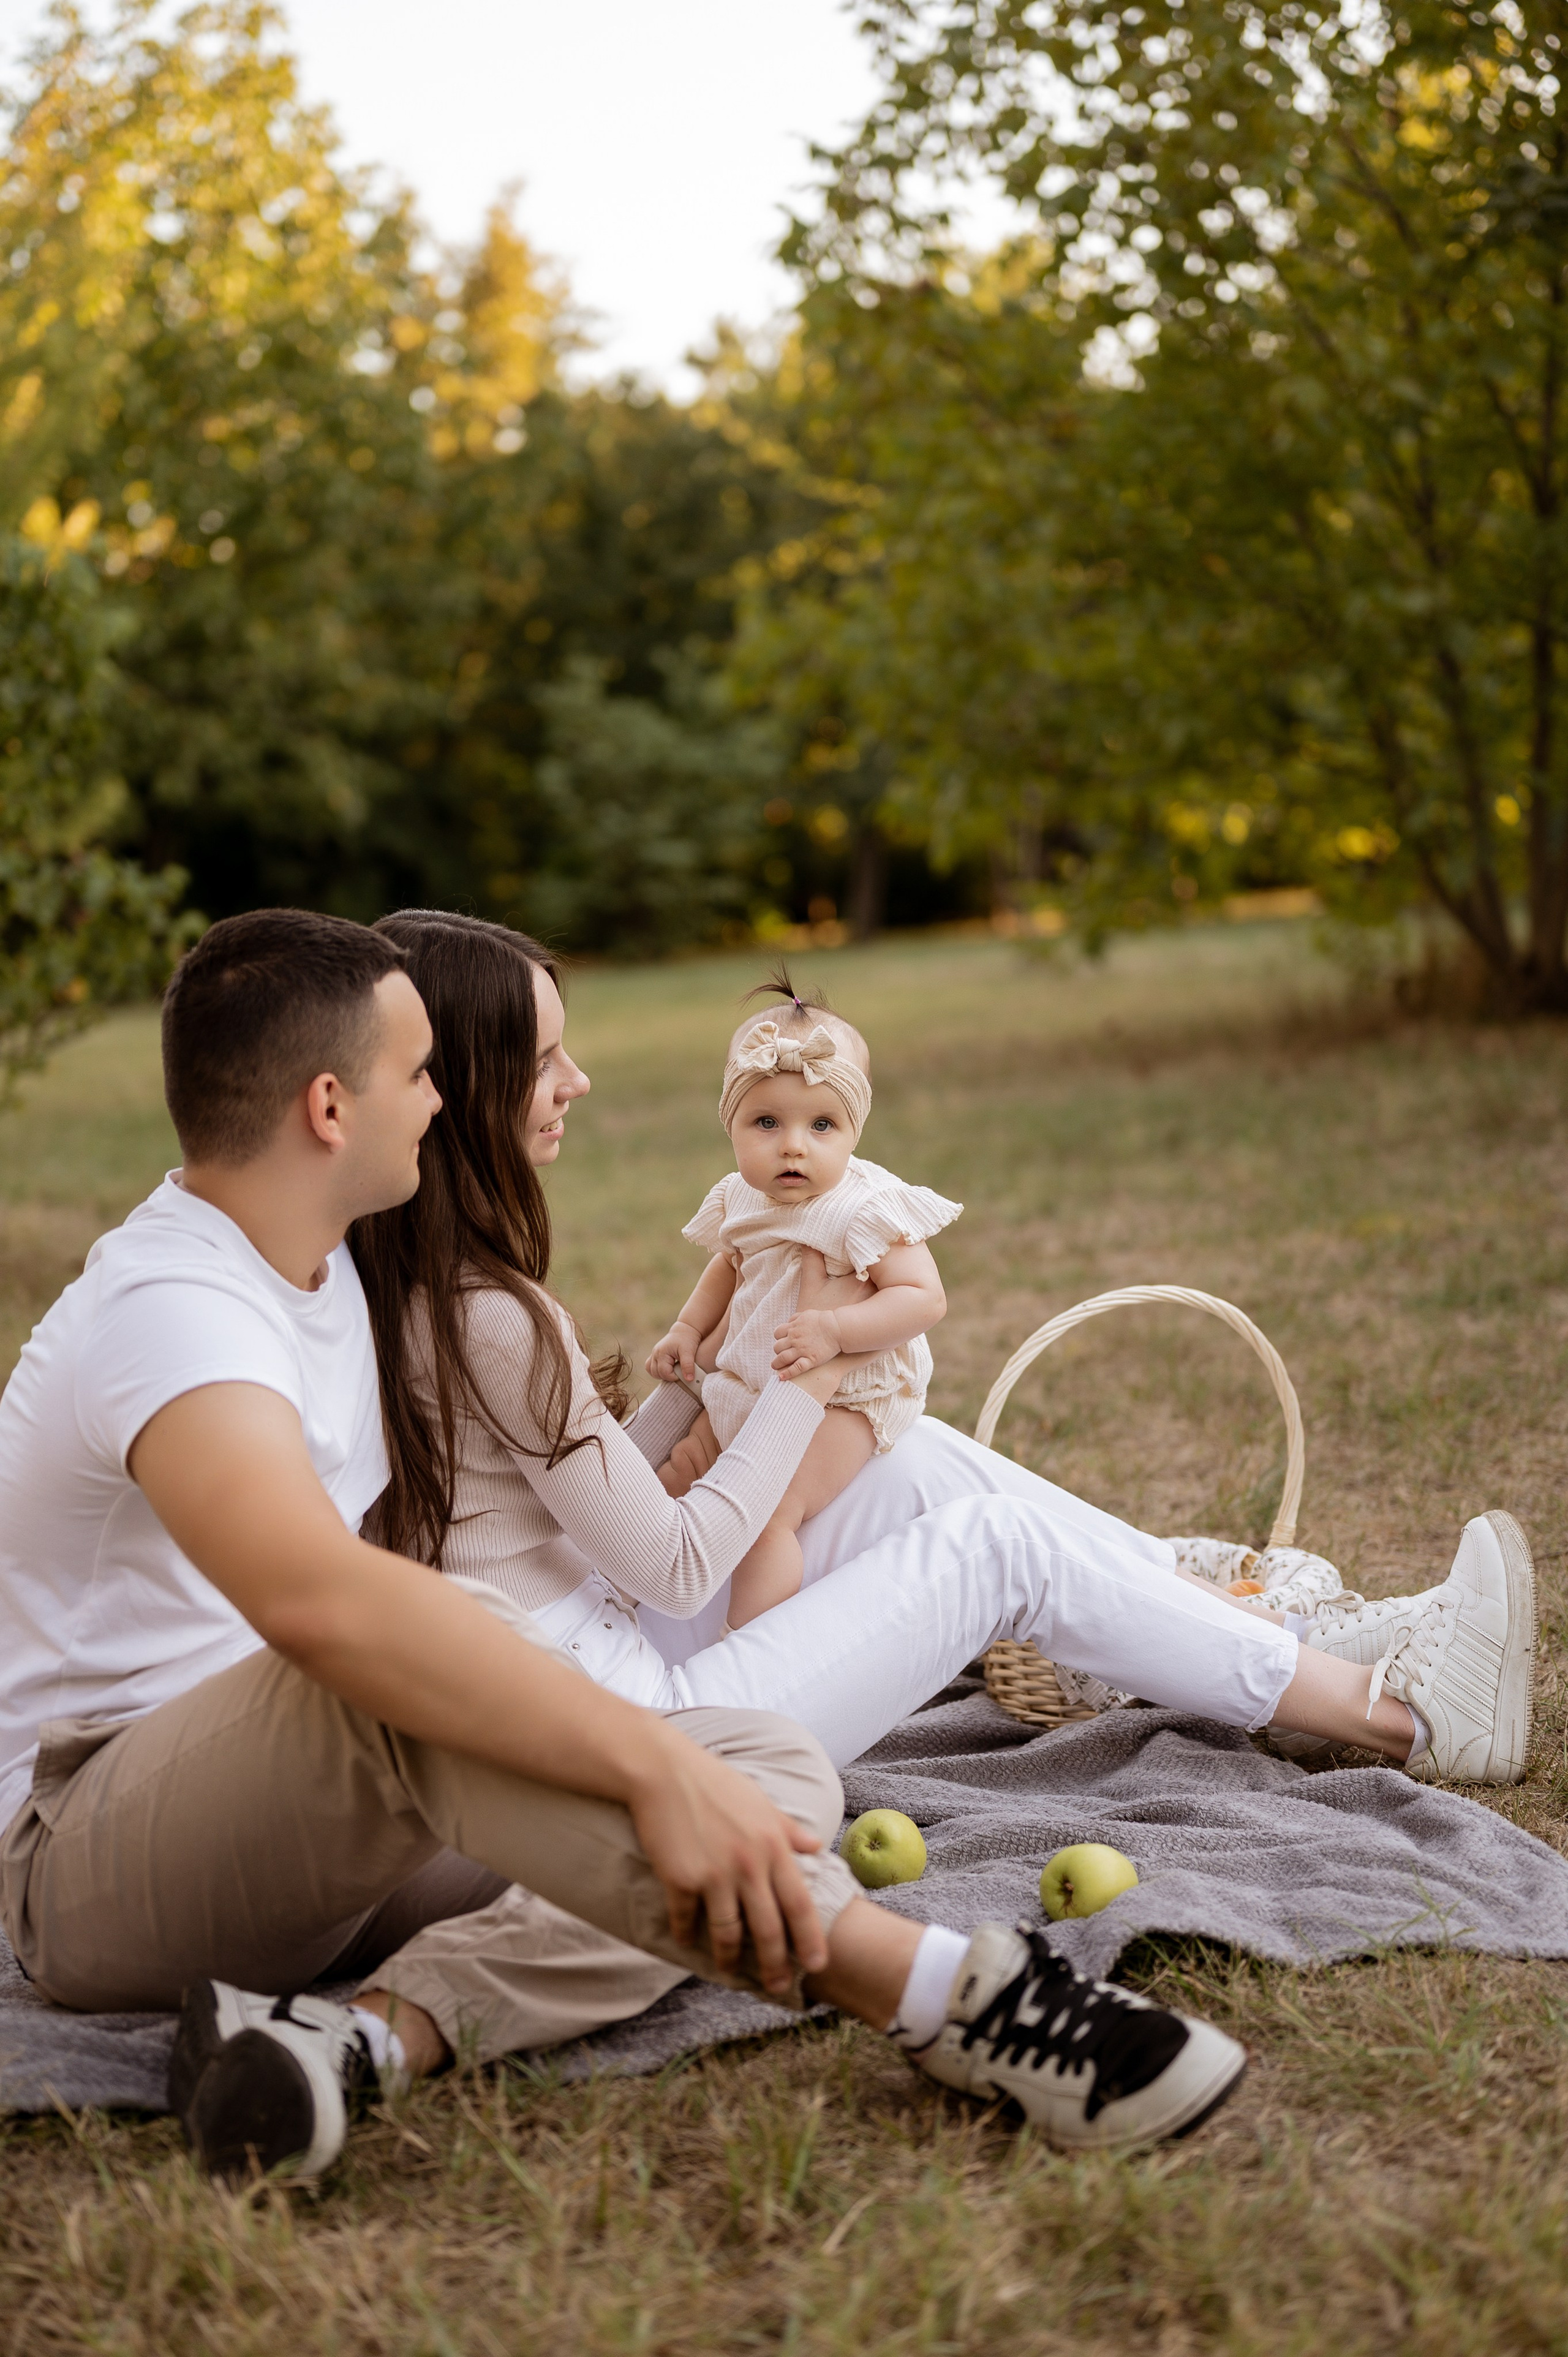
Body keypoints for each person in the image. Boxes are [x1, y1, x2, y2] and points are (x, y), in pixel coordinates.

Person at [0, 909, 1267, 2187]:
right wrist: (644, 1770)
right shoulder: (176, 1313)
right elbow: (323, 1606)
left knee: (768, 1771)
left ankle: (361, 2040)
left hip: (310, 1846)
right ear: (331, 1106)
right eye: (422, 1073)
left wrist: (670, 1755)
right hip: (90, 1860)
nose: (444, 1101)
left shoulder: (327, 1277)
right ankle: (949, 1997)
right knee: (424, 1671)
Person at [343, 910, 1537, 2076]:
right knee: (994, 1545)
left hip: (589, 1656)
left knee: (909, 1459)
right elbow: (678, 1561)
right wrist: (810, 1372)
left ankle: (1273, 1640)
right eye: (547, 1058)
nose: (579, 1080)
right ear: (470, 1081)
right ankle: (1397, 1712)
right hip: (635, 1735)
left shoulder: (409, 1283)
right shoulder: (487, 1315)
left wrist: (705, 1376)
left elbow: (562, 1487)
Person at [644, 970, 960, 1628]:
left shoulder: (861, 1208)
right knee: (677, 1475)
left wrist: (839, 1329)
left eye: (821, 1124)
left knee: (765, 1510)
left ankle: (753, 1646)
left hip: (841, 1403)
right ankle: (625, 1600)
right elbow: (725, 1270)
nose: (793, 1144)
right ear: (729, 1123)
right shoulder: (740, 1197)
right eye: (767, 1122)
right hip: (743, 1389)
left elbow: (923, 1299)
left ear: (854, 1130)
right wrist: (684, 1329)